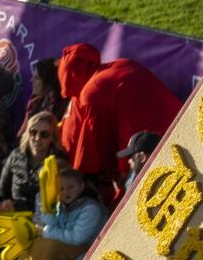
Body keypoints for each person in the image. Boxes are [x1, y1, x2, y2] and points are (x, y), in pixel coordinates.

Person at [55, 43, 183, 188]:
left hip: (149, 149)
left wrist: (115, 176)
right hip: (182, 121)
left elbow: (103, 142)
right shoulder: (123, 62)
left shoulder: (91, 92)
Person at [6, 165, 105, 260]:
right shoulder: (64, 205)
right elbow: (53, 225)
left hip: (84, 250)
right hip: (66, 244)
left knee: (49, 248)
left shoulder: (90, 208)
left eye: (70, 187)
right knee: (35, 244)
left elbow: (77, 238)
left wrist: (46, 232)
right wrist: (48, 208)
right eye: (62, 189)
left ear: (81, 186)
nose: (66, 192)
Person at [0, 111, 58, 215]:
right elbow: (1, 191)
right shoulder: (16, 155)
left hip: (43, 220)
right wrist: (4, 204)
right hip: (12, 216)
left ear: (52, 138)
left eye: (44, 134)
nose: (37, 138)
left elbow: (56, 202)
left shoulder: (57, 161)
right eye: (33, 132)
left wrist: (17, 206)